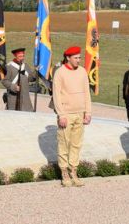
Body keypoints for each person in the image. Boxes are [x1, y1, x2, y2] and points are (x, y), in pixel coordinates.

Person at [52, 46, 92, 187]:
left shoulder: (82, 72)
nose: (78, 60)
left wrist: (88, 112)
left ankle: (73, 170)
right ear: (68, 58)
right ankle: (64, 171)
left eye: (79, 57)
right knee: (64, 143)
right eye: (75, 58)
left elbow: (86, 92)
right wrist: (61, 114)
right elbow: (56, 94)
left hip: (80, 113)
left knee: (76, 144)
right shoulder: (60, 73)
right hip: (66, 114)